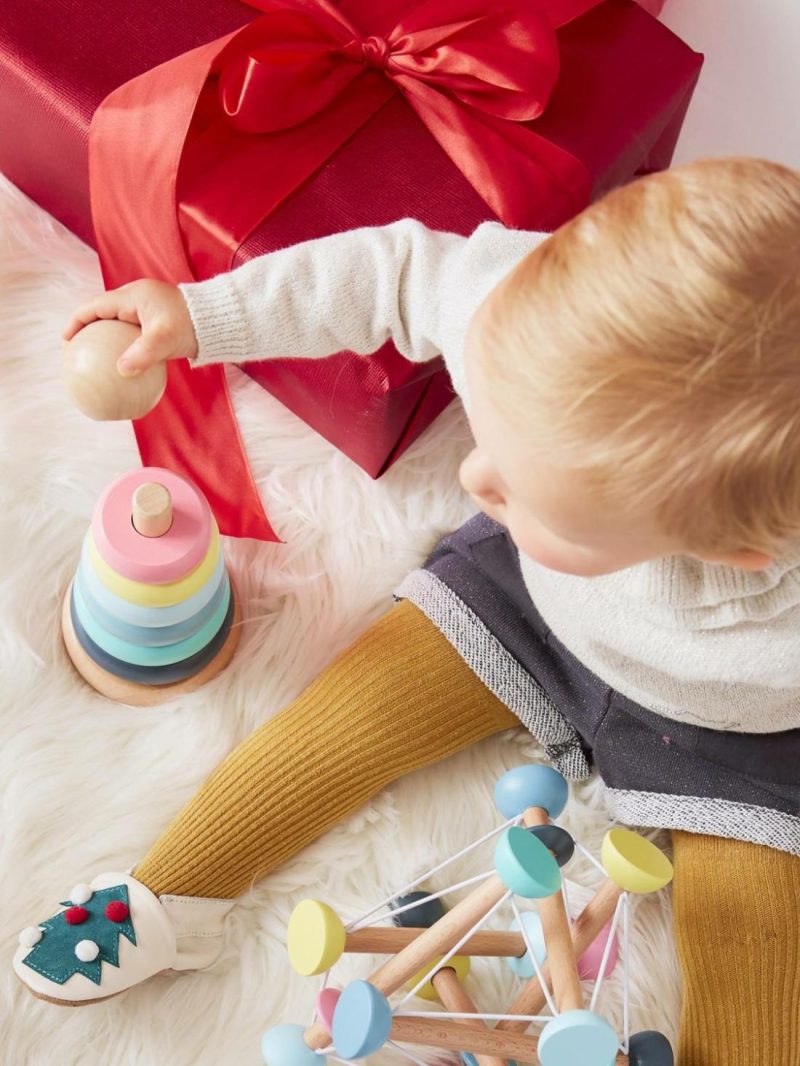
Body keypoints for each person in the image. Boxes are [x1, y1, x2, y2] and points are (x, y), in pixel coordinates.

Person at [14, 157, 800, 1065]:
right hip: (531, 611)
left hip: (736, 742)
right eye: (490, 438)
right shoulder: (534, 309)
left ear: (731, 553)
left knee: (755, 954)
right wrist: (201, 316)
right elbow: (392, 271)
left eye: (526, 495)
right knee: (345, 714)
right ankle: (169, 894)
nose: (474, 478)